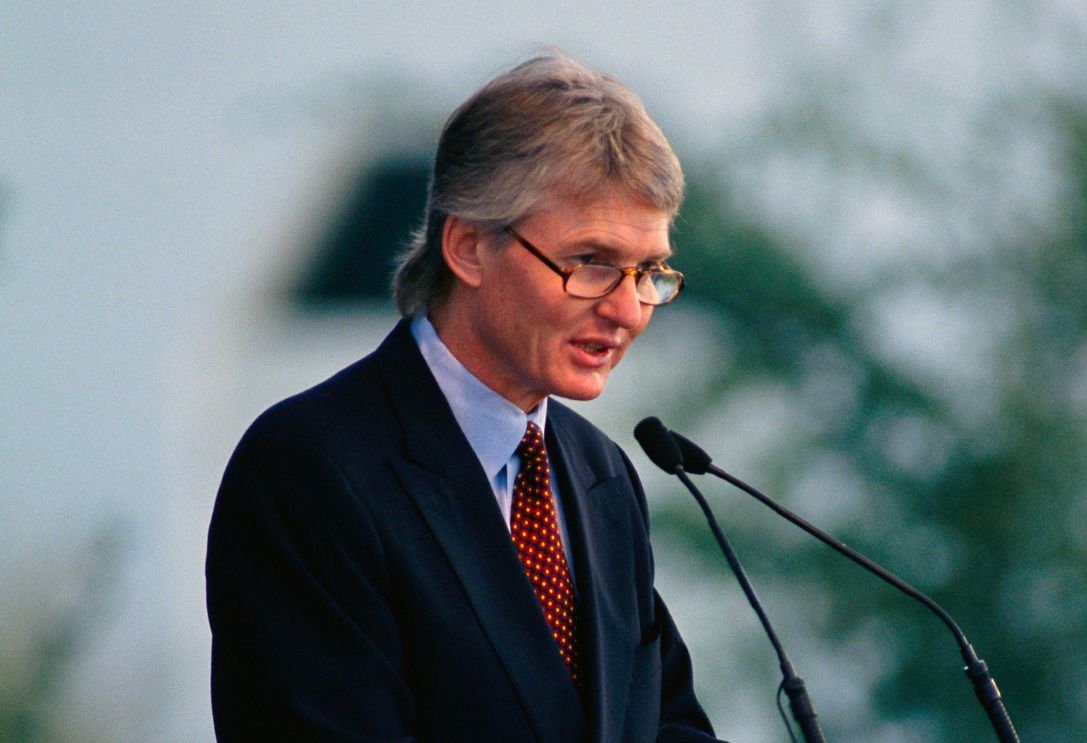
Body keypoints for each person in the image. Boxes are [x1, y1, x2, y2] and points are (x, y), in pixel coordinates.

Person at [206, 51, 725, 742]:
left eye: (650, 272)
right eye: (593, 263)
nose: (629, 309)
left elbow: (660, 724)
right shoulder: (311, 468)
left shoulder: (600, 472)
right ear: (469, 246)